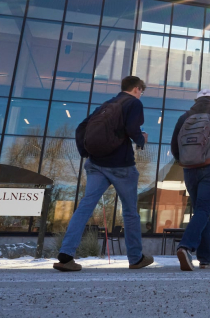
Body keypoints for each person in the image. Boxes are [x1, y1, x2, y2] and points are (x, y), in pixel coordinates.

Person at [53, 76, 154, 272]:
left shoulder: (107, 104)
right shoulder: (133, 103)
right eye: (141, 90)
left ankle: (65, 255)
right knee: (130, 212)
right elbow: (132, 129)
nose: (141, 94)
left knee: (85, 207)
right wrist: (141, 140)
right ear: (136, 88)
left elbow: (81, 128)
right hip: (121, 165)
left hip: (95, 164)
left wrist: (87, 154)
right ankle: (135, 258)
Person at [170, 89, 210, 271]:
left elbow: (174, 145)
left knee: (201, 211)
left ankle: (205, 259)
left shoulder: (184, 117)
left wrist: (184, 161)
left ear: (196, 100)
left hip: (190, 171)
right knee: (204, 210)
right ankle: (185, 246)